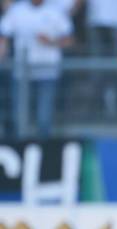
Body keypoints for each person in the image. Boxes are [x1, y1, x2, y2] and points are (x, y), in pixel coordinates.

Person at [0, 0, 73, 139]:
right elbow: (4, 35)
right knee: (19, 117)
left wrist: (51, 42)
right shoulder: (17, 10)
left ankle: (43, 150)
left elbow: (69, 39)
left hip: (47, 73)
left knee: (44, 119)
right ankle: (22, 150)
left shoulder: (56, 11)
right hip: (22, 74)